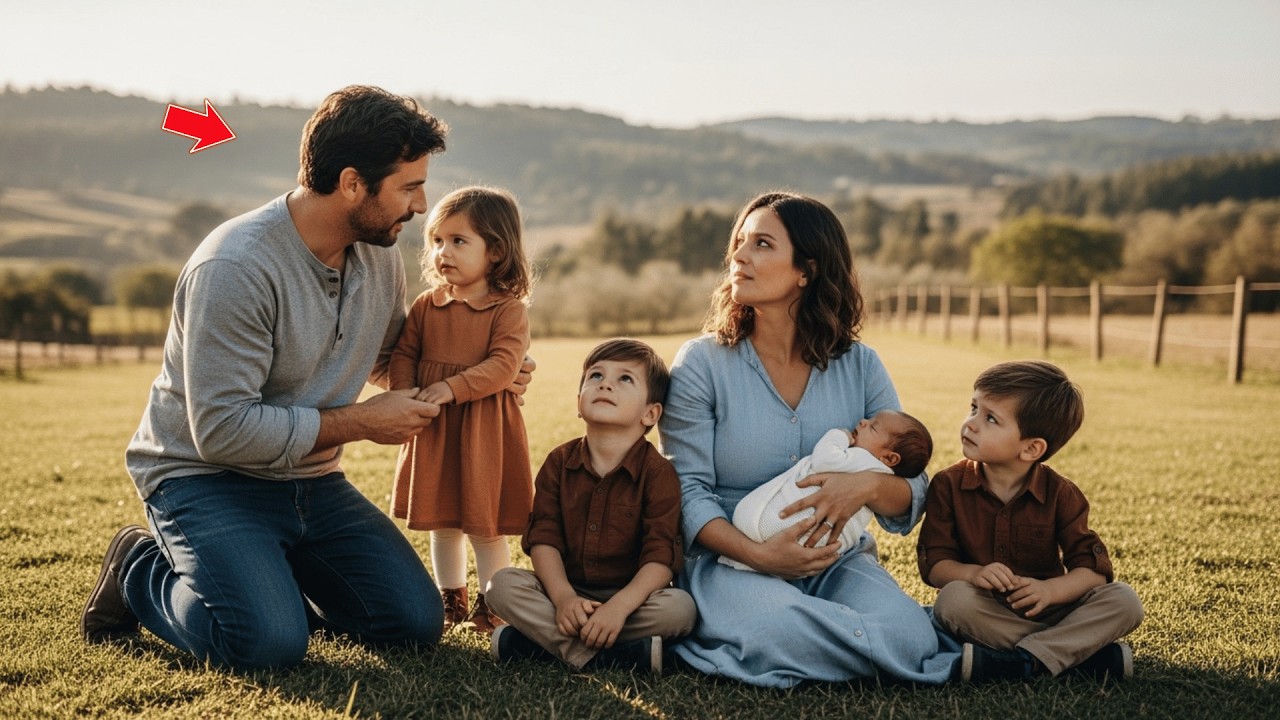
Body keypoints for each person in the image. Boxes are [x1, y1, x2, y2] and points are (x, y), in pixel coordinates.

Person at [80, 86, 531, 670]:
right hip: (205, 477)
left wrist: (488, 372)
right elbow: (221, 431)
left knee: (411, 624)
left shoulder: (377, 253)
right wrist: (361, 423)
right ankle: (138, 568)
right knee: (264, 644)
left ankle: (264, 570)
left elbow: (390, 359)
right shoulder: (235, 268)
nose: (421, 206)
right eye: (409, 186)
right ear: (351, 184)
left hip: (312, 481)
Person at [657, 191, 960, 688]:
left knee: (909, 634)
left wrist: (862, 489)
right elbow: (687, 492)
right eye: (740, 242)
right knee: (776, 625)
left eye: (761, 244)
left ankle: (737, 646)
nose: (738, 255)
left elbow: (913, 484)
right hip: (733, 562)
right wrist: (761, 556)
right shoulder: (702, 364)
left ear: (807, 270)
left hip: (835, 561)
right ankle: (850, 646)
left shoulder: (861, 365)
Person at [916, 360, 1145, 682]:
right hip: (986, 610)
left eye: (991, 418)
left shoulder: (1062, 494)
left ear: (1031, 448)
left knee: (1125, 600)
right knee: (952, 601)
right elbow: (935, 565)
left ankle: (1017, 662)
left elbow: (1094, 572)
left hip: (1052, 610)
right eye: (973, 408)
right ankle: (1074, 658)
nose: (971, 424)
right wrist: (974, 573)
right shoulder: (948, 485)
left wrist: (1051, 591)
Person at [486, 338, 696, 674]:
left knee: (679, 609)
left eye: (625, 378)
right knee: (502, 586)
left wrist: (619, 608)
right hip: (564, 588)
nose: (606, 383)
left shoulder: (659, 474)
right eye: (595, 376)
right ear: (578, 402)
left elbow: (660, 557)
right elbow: (544, 538)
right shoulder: (559, 462)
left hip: (629, 597)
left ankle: (536, 644)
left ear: (650, 413)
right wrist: (564, 599)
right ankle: (604, 655)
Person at [389, 186, 534, 636]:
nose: (442, 252)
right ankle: (450, 601)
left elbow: (502, 367)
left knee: (485, 524)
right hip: (434, 427)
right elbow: (404, 355)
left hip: (483, 429)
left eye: (458, 241)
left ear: (495, 251)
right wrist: (404, 394)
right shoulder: (426, 306)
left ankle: (495, 608)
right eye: (436, 241)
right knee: (442, 520)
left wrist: (451, 388)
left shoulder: (506, 310)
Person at [721, 409, 933, 572]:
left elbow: (824, 459)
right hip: (821, 557)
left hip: (768, 529)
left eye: (873, 427)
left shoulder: (864, 459)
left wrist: (838, 435)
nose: (863, 421)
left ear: (889, 458)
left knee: (752, 518)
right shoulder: (883, 471)